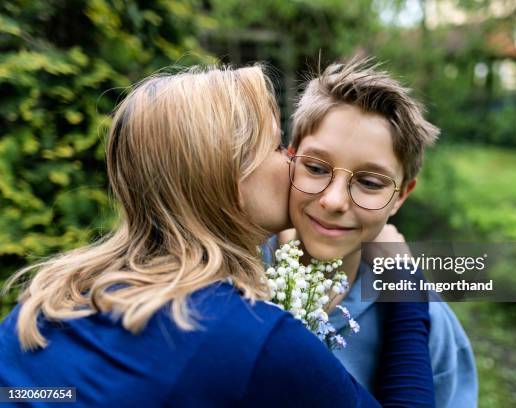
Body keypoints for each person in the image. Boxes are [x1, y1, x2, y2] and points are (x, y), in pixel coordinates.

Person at [0, 65, 381, 407]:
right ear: (229, 177)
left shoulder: (49, 300)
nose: (291, 161)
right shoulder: (255, 340)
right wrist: (404, 279)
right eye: (278, 146)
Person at [267, 58, 478, 407]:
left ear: (400, 196)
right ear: (291, 158)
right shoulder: (232, 275)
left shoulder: (431, 326)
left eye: (369, 182)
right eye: (316, 168)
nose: (333, 201)